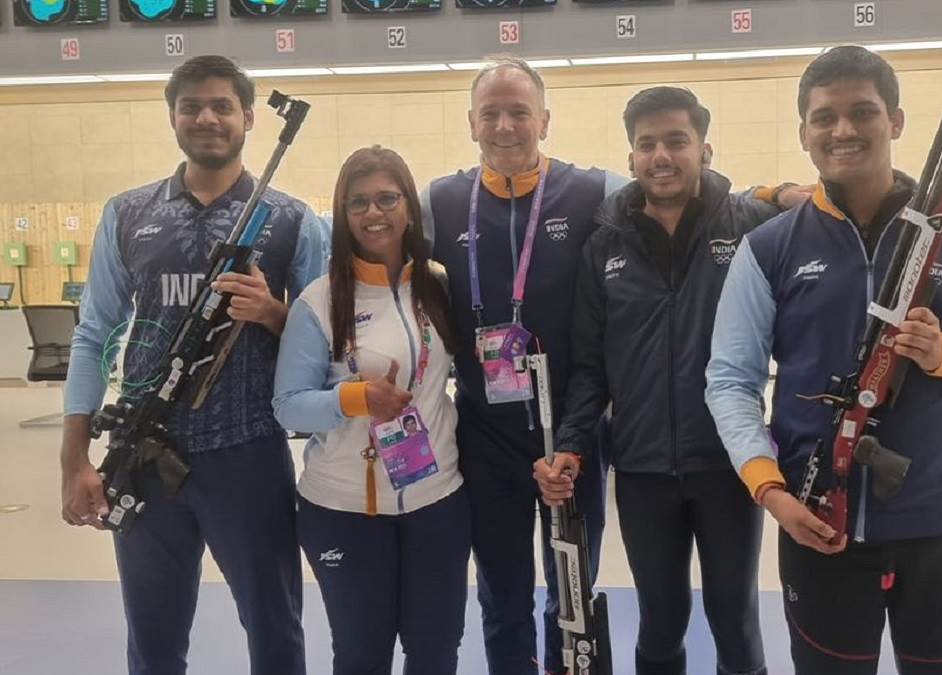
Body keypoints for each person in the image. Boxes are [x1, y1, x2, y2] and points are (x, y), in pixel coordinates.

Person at [535, 86, 942, 675]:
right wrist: (576, 445)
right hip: (640, 467)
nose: (662, 156)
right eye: (647, 144)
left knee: (734, 617)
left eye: (677, 141)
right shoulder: (605, 243)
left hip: (731, 468)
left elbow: (855, 194)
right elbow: (588, 368)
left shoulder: (751, 221)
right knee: (659, 619)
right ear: (630, 157)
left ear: (704, 149)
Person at [421, 56, 803, 675]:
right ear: (470, 123)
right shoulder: (442, 202)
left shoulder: (595, 196)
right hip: (501, 439)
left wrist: (775, 190)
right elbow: (369, 244)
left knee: (583, 596)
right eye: (490, 113)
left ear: (545, 119)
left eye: (520, 111)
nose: (506, 125)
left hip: (635, 445)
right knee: (508, 598)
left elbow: (782, 210)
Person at [705, 46, 942, 675]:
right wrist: (768, 487)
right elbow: (730, 381)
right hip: (815, 518)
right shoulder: (768, 249)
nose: (844, 130)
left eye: (863, 111)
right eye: (825, 117)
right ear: (805, 134)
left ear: (895, 121)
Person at [58, 55, 327, 675]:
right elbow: (94, 332)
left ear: (250, 118)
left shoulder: (291, 220)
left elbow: (327, 343)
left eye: (222, 106)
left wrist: (274, 314)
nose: (206, 117)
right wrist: (74, 456)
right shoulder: (129, 213)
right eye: (191, 106)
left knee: (275, 629)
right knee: (153, 640)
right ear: (173, 117)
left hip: (249, 452)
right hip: (145, 452)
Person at [274, 146, 469, 675]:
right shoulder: (320, 301)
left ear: (409, 207)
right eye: (357, 202)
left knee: (435, 653)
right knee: (362, 657)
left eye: (387, 197)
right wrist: (358, 398)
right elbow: (289, 407)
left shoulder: (438, 285)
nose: (373, 213)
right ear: (343, 214)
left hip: (438, 501)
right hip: (343, 511)